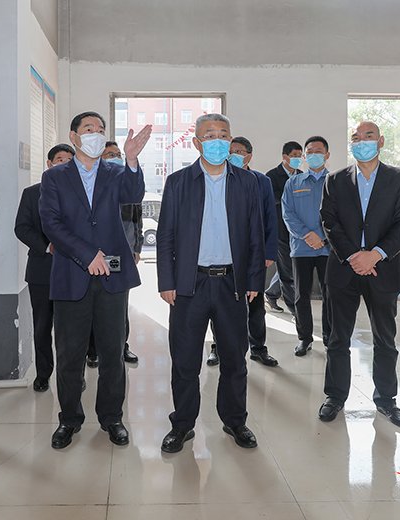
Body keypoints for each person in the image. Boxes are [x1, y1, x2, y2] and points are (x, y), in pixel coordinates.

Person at [39, 111, 151, 449]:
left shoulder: (116, 172)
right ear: (74, 137)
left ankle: (112, 417)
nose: (95, 133)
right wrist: (87, 255)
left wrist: (132, 159)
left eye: (100, 129)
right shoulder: (55, 177)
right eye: (88, 128)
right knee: (69, 355)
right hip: (71, 275)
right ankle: (69, 419)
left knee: (112, 353)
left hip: (112, 279)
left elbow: (135, 194)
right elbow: (51, 223)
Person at [157, 113, 265, 453]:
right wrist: (166, 281)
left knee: (234, 358)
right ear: (196, 142)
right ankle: (182, 424)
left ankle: (235, 421)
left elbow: (256, 234)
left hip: (232, 283)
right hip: (190, 284)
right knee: (185, 360)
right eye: (209, 135)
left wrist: (254, 279)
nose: (217, 141)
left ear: (230, 140)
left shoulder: (246, 182)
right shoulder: (178, 182)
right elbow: (165, 236)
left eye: (223, 134)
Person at [319, 121, 400, 428]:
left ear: (380, 141)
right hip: (343, 268)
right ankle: (335, 396)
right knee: (337, 338)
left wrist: (375, 254)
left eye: (368, 136)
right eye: (356, 137)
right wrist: (353, 256)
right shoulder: (335, 180)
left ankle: (386, 399)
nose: (361, 141)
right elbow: (329, 222)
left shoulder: (399, 179)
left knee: (385, 338)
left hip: (382, 269)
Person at [206, 136, 279, 367]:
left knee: (256, 305)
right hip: (225, 255)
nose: (233, 155)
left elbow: (270, 218)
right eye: (231, 151)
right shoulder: (219, 178)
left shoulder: (261, 181)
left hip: (254, 254)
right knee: (220, 304)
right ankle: (217, 347)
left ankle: (258, 348)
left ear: (249, 156)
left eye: (238, 151)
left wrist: (268, 253)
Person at [15, 143, 74, 392]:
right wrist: (46, 246)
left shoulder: (81, 194)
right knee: (42, 326)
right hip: (42, 271)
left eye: (69, 160)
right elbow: (22, 227)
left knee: (71, 329)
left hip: (73, 272)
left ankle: (72, 375)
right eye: (60, 159)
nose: (65, 164)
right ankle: (43, 374)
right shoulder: (32, 193)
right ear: (49, 164)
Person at [85, 141, 142, 366]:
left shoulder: (125, 183)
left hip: (121, 255)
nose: (116, 157)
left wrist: (136, 249)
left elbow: (137, 220)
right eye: (110, 154)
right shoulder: (95, 187)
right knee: (92, 302)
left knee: (119, 305)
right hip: (95, 255)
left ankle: (121, 346)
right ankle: (93, 350)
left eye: (118, 154)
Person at [281, 136, 331, 356]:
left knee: (331, 294)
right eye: (309, 152)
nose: (313, 155)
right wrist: (307, 235)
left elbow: (342, 216)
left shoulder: (335, 182)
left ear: (327, 155)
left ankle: (330, 337)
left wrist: (323, 238)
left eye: (318, 151)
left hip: (329, 249)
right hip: (301, 248)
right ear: (304, 156)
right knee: (301, 295)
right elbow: (287, 214)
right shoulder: (293, 183)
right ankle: (304, 338)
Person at [264, 142, 303, 314]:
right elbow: (271, 200)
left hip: (298, 229)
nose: (297, 159)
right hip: (280, 229)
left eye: (299, 156)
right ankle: (294, 309)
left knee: (288, 266)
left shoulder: (302, 175)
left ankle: (271, 294)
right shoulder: (272, 176)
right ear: (284, 156)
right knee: (288, 270)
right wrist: (292, 198)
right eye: (294, 156)